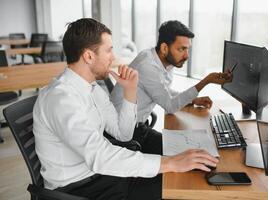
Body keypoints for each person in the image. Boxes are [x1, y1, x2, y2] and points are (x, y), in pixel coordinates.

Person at [33, 18, 219, 200]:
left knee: (182, 176)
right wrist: (170, 163)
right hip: (78, 186)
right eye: (109, 50)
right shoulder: (61, 99)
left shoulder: (92, 88)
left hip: (99, 174)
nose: (113, 57)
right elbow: (99, 156)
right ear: (89, 56)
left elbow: (123, 135)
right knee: (176, 185)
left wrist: (130, 92)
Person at [111, 20, 232, 126]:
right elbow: (170, 106)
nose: (186, 56)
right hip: (124, 129)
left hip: (136, 122)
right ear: (164, 48)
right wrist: (206, 81)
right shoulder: (147, 65)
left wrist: (192, 100)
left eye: (187, 49)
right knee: (185, 146)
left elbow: (165, 91)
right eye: (181, 49)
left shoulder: (164, 60)